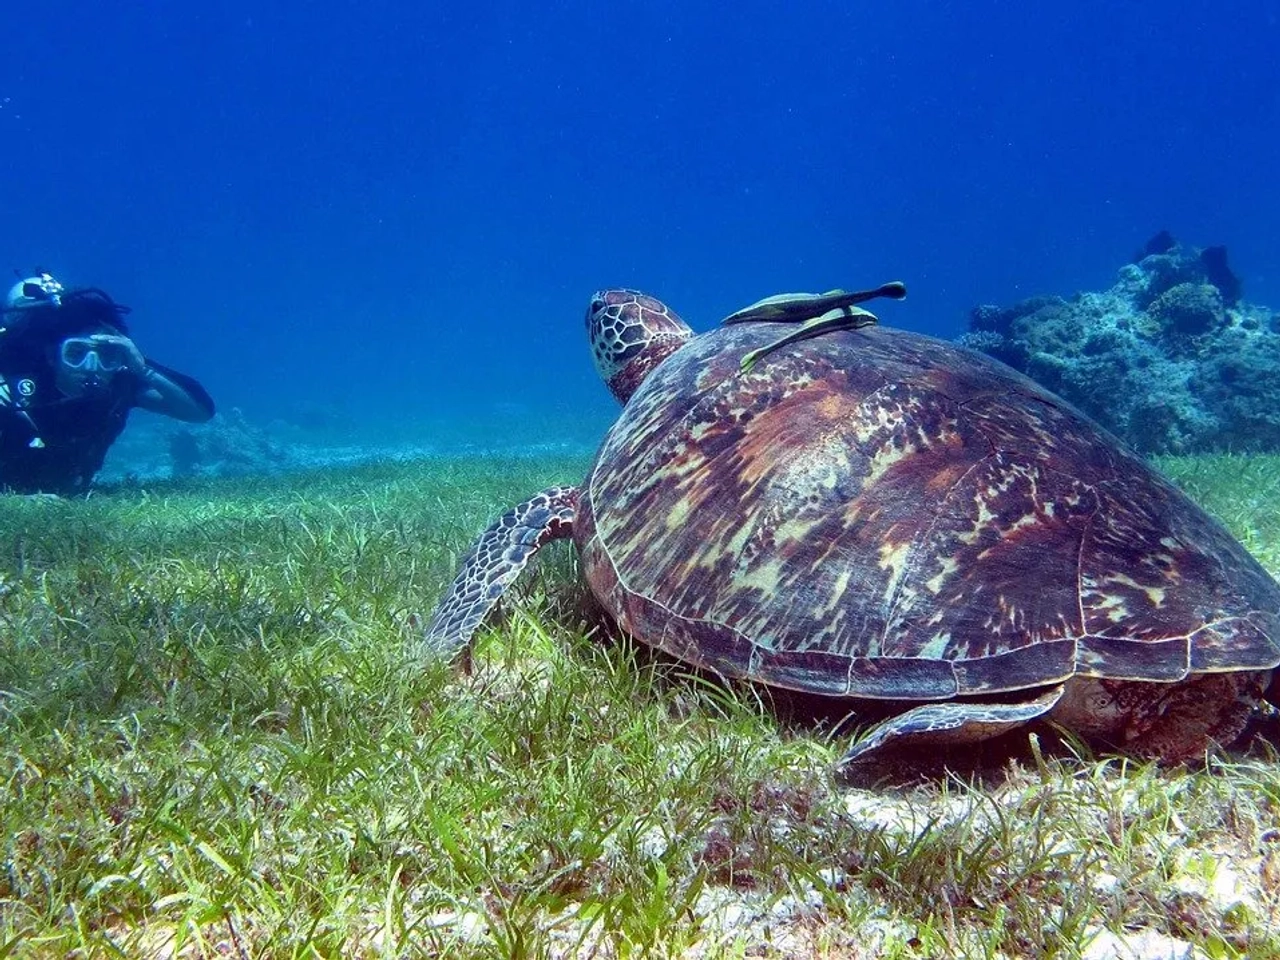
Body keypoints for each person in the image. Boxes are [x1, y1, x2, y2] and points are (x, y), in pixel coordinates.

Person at [0, 272, 215, 494]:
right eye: (75, 353)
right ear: (52, 356)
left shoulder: (119, 386)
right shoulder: (10, 389)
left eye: (107, 356)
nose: (91, 366)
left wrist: (143, 369)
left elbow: (199, 412)